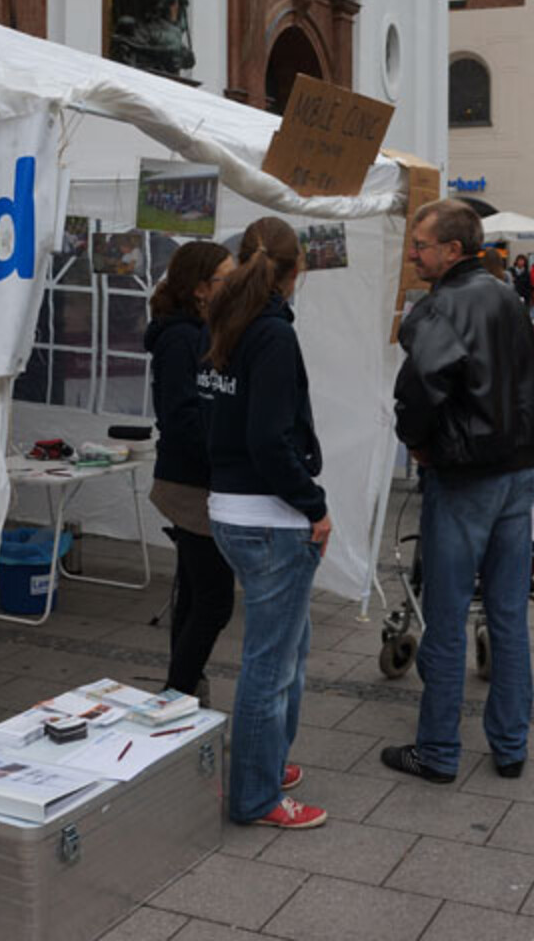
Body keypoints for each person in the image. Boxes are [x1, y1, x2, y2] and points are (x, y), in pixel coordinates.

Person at [387, 200, 534, 782]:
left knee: (448, 615)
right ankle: (510, 744)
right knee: (507, 615)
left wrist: (418, 442)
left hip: (467, 475)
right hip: (514, 472)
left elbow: (421, 388)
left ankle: (438, 750)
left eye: (422, 245)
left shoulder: (442, 305)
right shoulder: (507, 296)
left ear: (453, 250)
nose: (413, 253)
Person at [201, 217, 330, 829]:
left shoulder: (231, 323)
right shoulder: (271, 336)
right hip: (268, 517)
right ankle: (255, 795)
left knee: (284, 651)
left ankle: (266, 763)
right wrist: (314, 504)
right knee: (271, 665)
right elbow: (269, 439)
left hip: (234, 508)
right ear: (294, 269)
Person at [145, 241, 236, 702]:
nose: (233, 284)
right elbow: (181, 416)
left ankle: (181, 687)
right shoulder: (181, 339)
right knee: (216, 599)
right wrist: (222, 457)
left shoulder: (198, 331)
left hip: (198, 478)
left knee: (196, 590)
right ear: (201, 289)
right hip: (192, 483)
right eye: (225, 277)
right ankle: (176, 690)